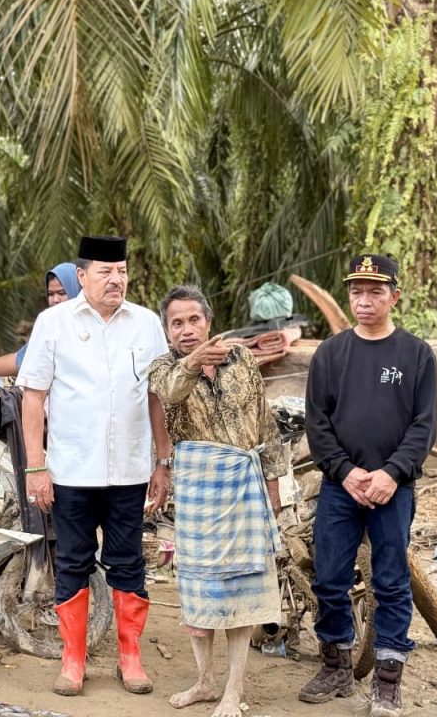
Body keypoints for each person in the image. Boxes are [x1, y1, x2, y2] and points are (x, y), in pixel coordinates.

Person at [17, 235, 172, 697]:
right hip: (70, 472)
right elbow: (33, 398)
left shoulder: (145, 324)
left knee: (128, 563)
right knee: (72, 562)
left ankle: (130, 657)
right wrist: (35, 467)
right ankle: (73, 659)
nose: (116, 280)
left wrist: (162, 462)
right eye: (105, 272)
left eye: (122, 271)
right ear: (81, 276)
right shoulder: (53, 322)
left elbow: (156, 397)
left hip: (129, 471)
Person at [300, 254, 437, 717]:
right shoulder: (331, 354)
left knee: (392, 582)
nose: (364, 300)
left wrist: (391, 473)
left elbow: (423, 426)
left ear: (394, 296)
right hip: (342, 487)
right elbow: (317, 423)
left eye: (375, 291)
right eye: (357, 291)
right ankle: (336, 663)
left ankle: (387, 679)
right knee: (330, 578)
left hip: (393, 490)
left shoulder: (416, 355)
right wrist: (345, 471)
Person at [148, 285, 284, 717]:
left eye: (194, 320)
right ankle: (205, 680)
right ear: (167, 331)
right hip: (198, 486)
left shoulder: (242, 358)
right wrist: (191, 363)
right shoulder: (162, 367)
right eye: (177, 323)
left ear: (209, 321)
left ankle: (233, 688)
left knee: (240, 586)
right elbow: (169, 393)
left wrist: (275, 481)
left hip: (244, 481)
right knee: (197, 588)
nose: (187, 330)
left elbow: (265, 421)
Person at [0, 262, 81, 381]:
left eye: (62, 293)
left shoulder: (94, 324)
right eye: (51, 294)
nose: (55, 300)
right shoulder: (49, 327)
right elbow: (20, 361)